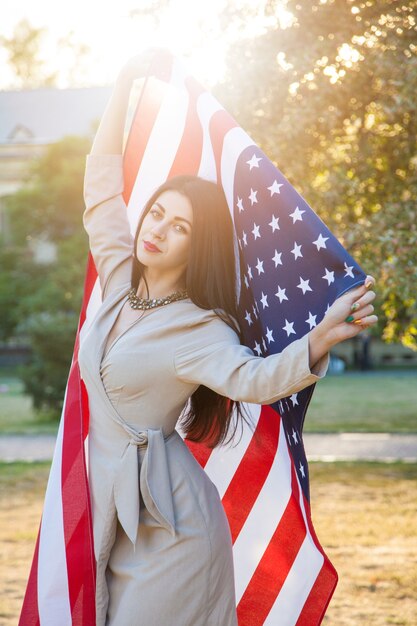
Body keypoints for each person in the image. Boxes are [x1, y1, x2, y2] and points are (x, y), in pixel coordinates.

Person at [78, 50, 378, 626]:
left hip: (174, 527)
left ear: (199, 244)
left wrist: (320, 337)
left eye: (180, 225)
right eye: (158, 214)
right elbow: (100, 191)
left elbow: (254, 379)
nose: (159, 229)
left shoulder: (198, 326)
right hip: (110, 515)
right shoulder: (119, 280)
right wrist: (121, 85)